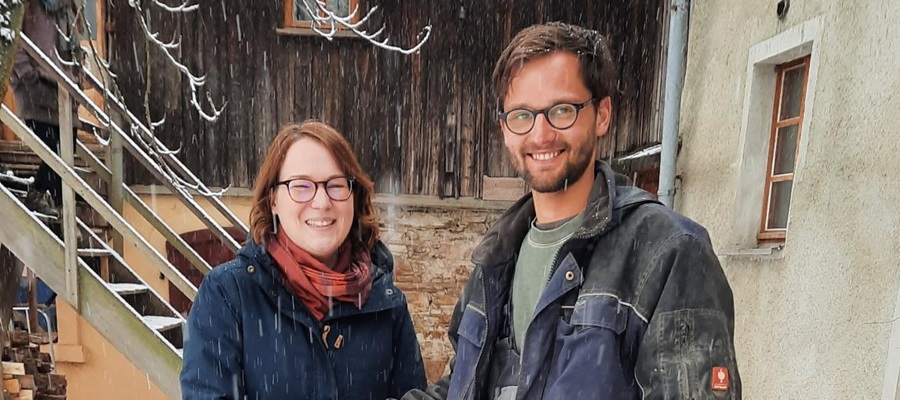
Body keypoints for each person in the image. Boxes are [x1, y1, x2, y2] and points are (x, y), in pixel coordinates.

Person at [402, 22, 741, 400]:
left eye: (562, 110)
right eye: (522, 115)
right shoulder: (494, 261)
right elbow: (461, 387)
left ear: (602, 114)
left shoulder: (669, 253)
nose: (540, 134)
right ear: (504, 128)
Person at [181, 121, 427, 399]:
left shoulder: (386, 302)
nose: (322, 202)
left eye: (336, 185)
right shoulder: (228, 295)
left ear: (354, 197)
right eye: (301, 186)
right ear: (273, 200)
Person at [10, 0, 80, 216]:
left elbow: (75, 48)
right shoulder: (27, 5)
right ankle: (38, 195)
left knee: (67, 152)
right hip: (36, 89)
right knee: (53, 149)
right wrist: (28, 75)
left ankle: (56, 206)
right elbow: (13, 42)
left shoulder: (69, 6)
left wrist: (77, 79)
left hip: (65, 91)